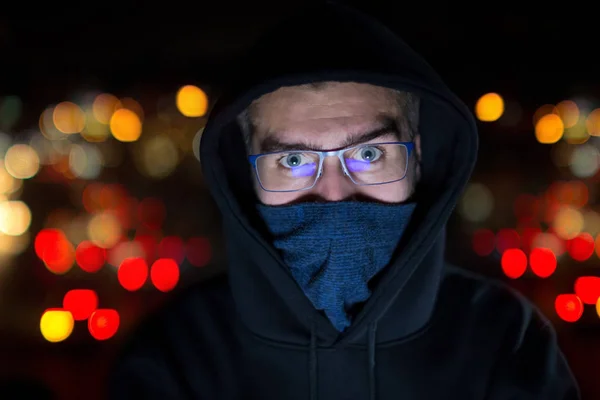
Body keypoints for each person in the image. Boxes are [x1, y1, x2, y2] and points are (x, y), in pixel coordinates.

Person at [109, 2, 580, 399]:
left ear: (416, 158)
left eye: (369, 153)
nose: (333, 193)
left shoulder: (505, 338)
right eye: (293, 160)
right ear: (245, 174)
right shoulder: (174, 355)